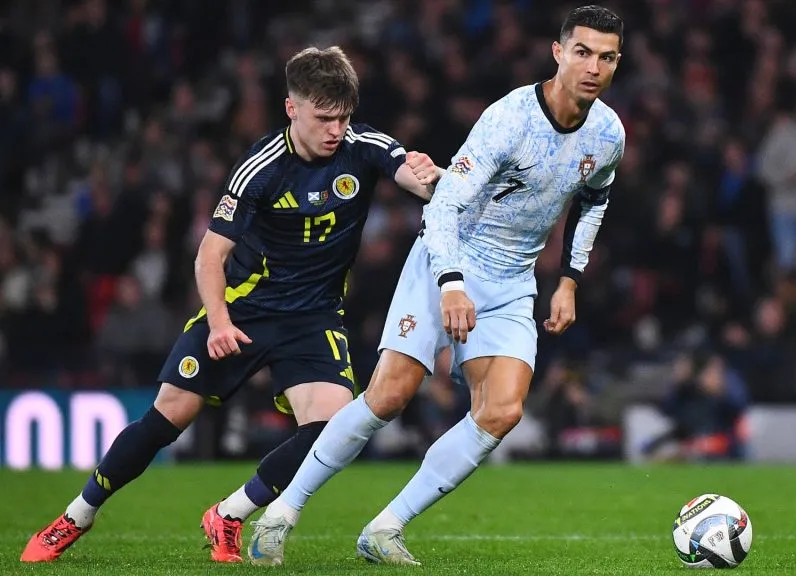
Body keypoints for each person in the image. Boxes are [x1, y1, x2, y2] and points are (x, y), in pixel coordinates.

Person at [21, 46, 442, 564]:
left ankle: (231, 513)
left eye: (344, 117)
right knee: (166, 419)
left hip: (312, 318)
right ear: (293, 108)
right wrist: (219, 323)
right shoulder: (259, 168)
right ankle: (76, 516)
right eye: (324, 117)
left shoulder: (363, 146)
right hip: (244, 309)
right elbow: (208, 257)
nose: (336, 130)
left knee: (334, 429)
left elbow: (418, 179)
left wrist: (431, 174)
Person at [248, 5, 626, 566]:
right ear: (558, 52)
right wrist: (451, 284)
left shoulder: (609, 132)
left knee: (502, 410)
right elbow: (445, 205)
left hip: (512, 280)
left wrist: (569, 280)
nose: (593, 66)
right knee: (388, 396)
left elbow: (595, 198)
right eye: (583, 52)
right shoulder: (509, 119)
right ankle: (280, 515)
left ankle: (386, 527)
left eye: (607, 57)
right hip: (448, 259)